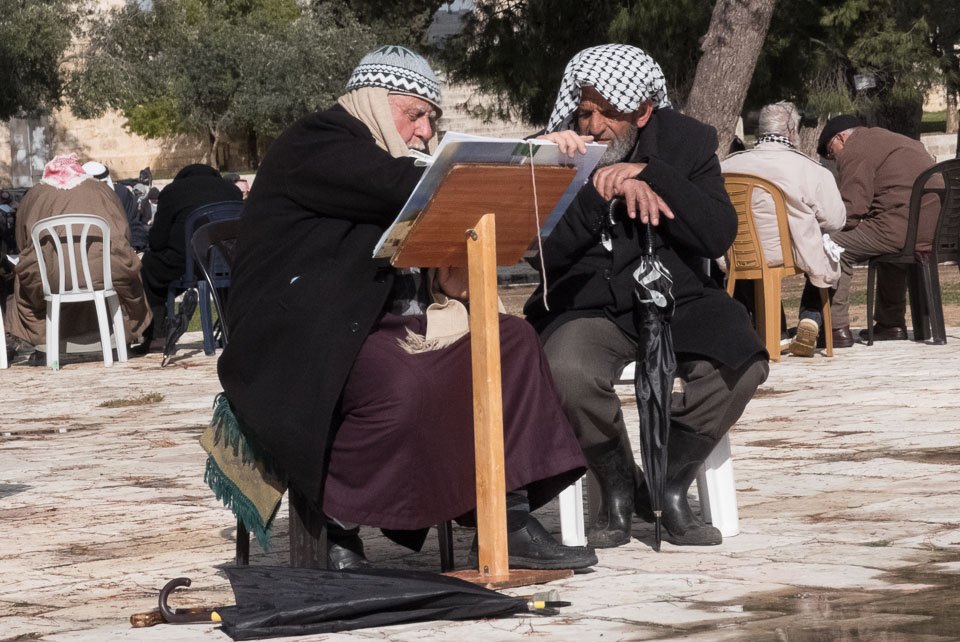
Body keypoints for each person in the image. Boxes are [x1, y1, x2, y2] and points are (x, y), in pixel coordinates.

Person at [217, 45, 596, 571]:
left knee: (513, 342)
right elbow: (404, 187)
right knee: (405, 382)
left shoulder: (385, 154)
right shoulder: (319, 139)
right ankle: (338, 519)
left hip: (385, 321)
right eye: (413, 114)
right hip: (304, 334)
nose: (423, 131)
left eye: (429, 119)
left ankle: (503, 519)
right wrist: (531, 148)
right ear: (371, 101)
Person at [525, 44, 769, 548]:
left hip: (675, 295)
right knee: (567, 370)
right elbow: (538, 254)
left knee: (740, 359)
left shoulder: (688, 142)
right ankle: (620, 485)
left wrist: (652, 175)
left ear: (642, 110)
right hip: (589, 302)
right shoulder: (555, 149)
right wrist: (591, 188)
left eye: (605, 113)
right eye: (584, 109)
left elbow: (717, 235)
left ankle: (670, 486)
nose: (591, 124)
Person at [721, 101, 847, 357]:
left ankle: (774, 333)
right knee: (828, 250)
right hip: (793, 253)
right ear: (791, 131)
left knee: (749, 250)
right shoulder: (810, 169)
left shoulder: (727, 166)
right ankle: (810, 317)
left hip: (738, 254)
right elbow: (836, 221)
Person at [5, 154, 152, 352]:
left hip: (51, 280)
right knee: (126, 270)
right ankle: (117, 335)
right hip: (104, 275)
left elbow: (22, 242)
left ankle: (47, 342)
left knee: (25, 278)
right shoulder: (101, 190)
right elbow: (123, 234)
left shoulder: (34, 194)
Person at [816, 115, 939, 346]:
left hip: (901, 228)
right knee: (884, 245)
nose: (834, 159)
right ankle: (890, 324)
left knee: (832, 244)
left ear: (841, 137)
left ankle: (836, 329)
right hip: (934, 228)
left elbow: (852, 210)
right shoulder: (898, 140)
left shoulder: (855, 149)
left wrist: (821, 227)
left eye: (831, 152)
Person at [139, 164, 242, 334]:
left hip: (184, 264)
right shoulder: (233, 191)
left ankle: (156, 334)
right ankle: (232, 329)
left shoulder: (172, 191)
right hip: (227, 262)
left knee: (148, 266)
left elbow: (157, 241)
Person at [82, 161, 150, 252]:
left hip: (120, 251)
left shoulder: (122, 194)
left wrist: (134, 249)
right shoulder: (77, 200)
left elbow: (133, 225)